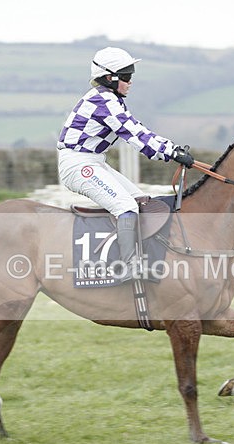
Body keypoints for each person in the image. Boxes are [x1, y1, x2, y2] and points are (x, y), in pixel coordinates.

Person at [57, 46, 194, 283]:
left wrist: (171, 148)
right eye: (127, 76)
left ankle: (144, 257)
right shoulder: (103, 100)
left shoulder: (110, 99)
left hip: (94, 160)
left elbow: (138, 129)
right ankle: (128, 268)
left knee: (141, 201)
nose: (130, 82)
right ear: (110, 78)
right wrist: (171, 152)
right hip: (78, 164)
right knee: (126, 206)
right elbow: (135, 135)